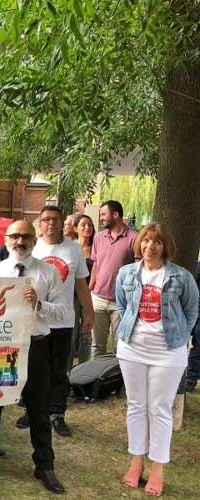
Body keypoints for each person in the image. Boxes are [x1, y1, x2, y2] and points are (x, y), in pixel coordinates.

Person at [115, 223, 198, 497]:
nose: (150, 246)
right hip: (132, 349)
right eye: (146, 240)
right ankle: (136, 462)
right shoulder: (126, 273)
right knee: (136, 405)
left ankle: (158, 469)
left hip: (168, 352)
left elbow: (191, 311)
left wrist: (180, 338)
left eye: (157, 242)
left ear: (165, 247)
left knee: (160, 408)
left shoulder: (181, 276)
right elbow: (123, 306)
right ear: (140, 243)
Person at [0, 220, 66, 494]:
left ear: (35, 239)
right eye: (15, 236)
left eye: (26, 237)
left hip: (35, 347)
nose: (20, 242)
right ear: (6, 239)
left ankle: (44, 465)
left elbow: (63, 312)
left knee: (39, 407)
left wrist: (38, 304)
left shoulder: (48, 272)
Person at [28, 206, 94, 437]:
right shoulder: (33, 247)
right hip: (35, 320)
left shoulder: (74, 250)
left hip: (63, 320)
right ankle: (32, 410)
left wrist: (89, 312)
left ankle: (57, 413)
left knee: (59, 370)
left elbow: (81, 285)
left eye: (56, 219)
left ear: (63, 223)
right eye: (46, 219)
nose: (51, 223)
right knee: (35, 370)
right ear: (39, 223)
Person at [90, 200, 137, 357]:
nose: (101, 218)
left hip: (121, 302)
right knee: (97, 346)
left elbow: (137, 270)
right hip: (98, 299)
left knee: (121, 347)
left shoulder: (134, 238)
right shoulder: (98, 238)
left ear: (115, 214)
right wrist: (89, 292)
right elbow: (96, 266)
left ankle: (119, 374)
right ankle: (96, 374)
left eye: (103, 214)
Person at [69, 214, 95, 369]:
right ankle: (67, 371)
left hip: (89, 295)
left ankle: (84, 371)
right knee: (71, 335)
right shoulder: (70, 248)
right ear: (75, 229)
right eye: (83, 225)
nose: (87, 228)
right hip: (71, 296)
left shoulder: (96, 248)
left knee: (86, 334)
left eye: (90, 225)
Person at [185, 261, 200, 392]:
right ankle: (190, 379)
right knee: (197, 347)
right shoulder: (198, 266)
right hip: (196, 312)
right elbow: (193, 289)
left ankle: (191, 379)